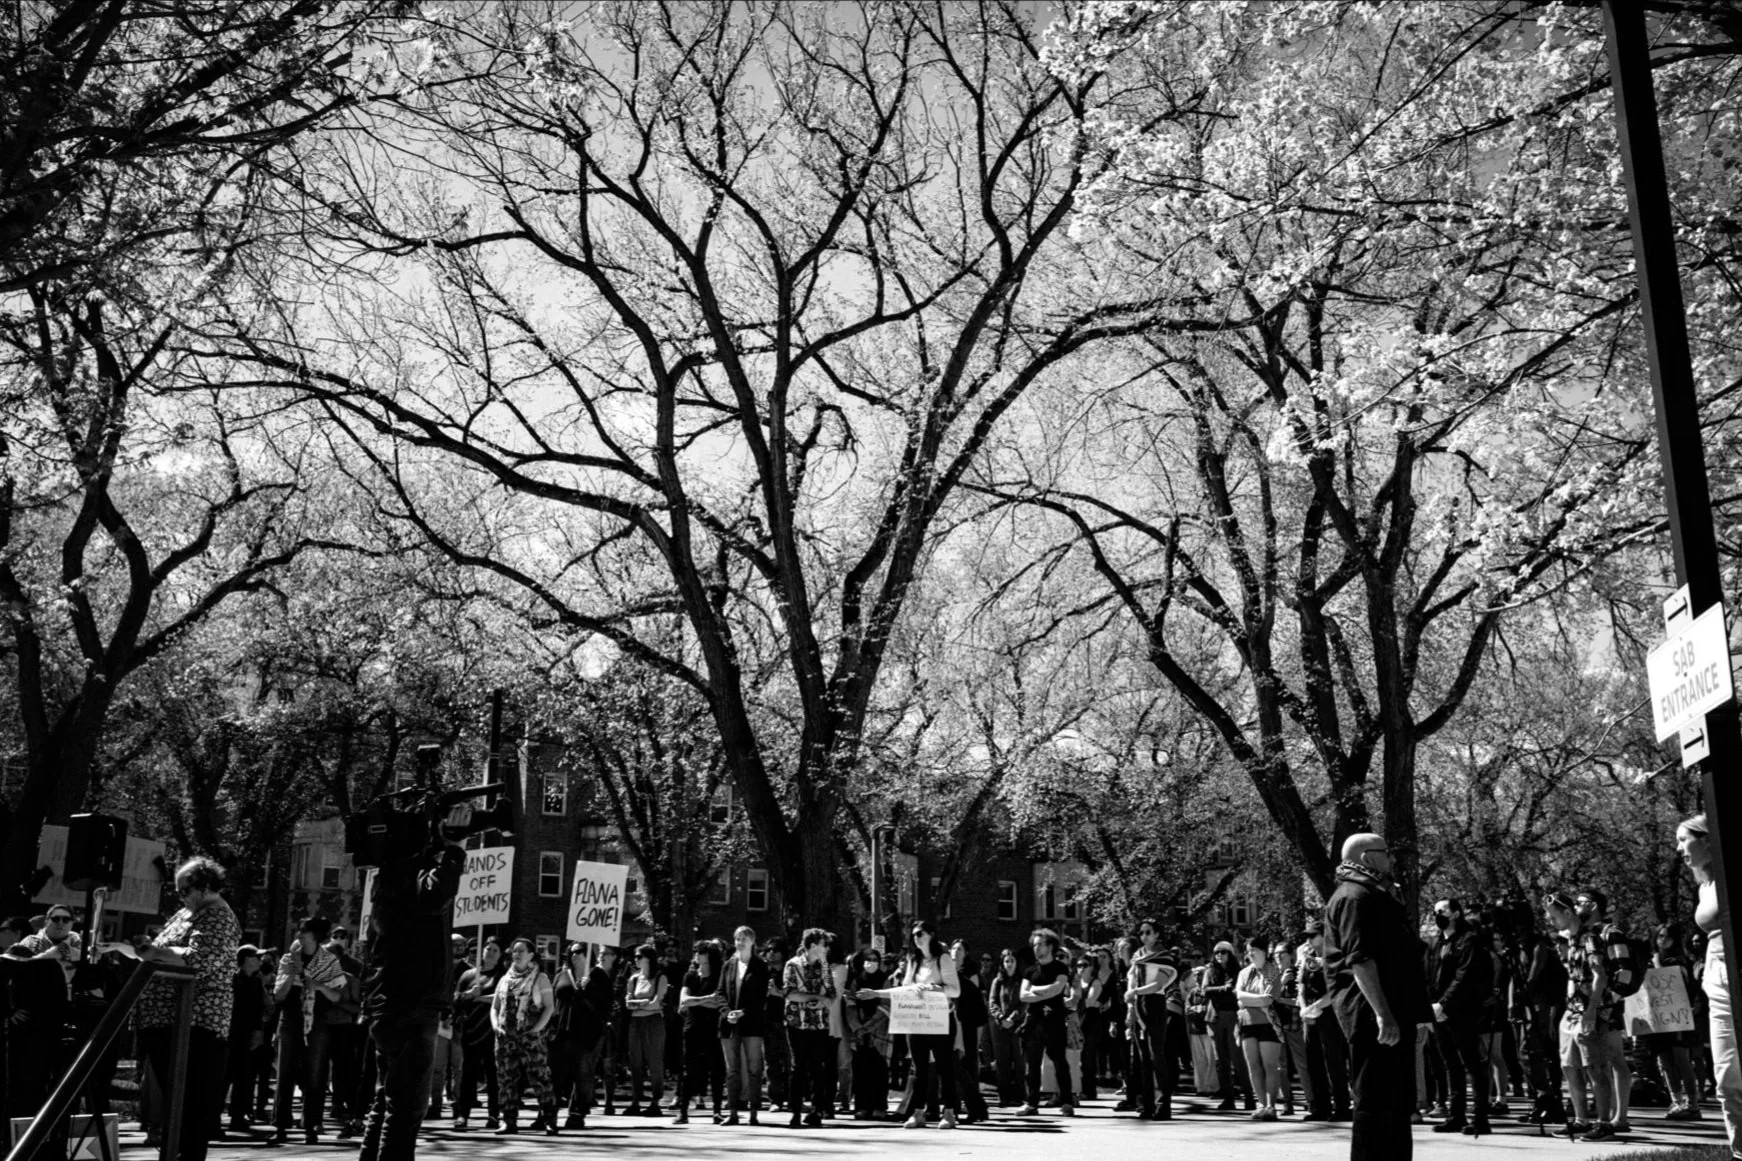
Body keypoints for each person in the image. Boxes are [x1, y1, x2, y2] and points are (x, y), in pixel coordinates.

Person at [353, 821, 465, 1161]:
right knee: (405, 1110)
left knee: (387, 1100)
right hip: (411, 1005)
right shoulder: (408, 872)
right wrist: (456, 849)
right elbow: (435, 895)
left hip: (390, 1005)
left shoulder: (387, 876)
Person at [1324, 832, 1431, 1161]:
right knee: (1375, 1106)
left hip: (1393, 1013)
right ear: (1367, 859)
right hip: (1374, 1017)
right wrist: (1383, 1014)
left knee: (1397, 1105)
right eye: (1385, 853)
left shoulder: (1376, 895)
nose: (1391, 859)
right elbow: (1361, 959)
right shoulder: (1355, 896)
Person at [131, 856, 242, 1161]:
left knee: (191, 1102)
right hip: (165, 1020)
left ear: (205, 887)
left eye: (184, 890)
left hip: (194, 1023)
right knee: (173, 1102)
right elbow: (164, 950)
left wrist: (157, 952)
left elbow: (200, 959)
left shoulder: (218, 915)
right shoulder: (186, 913)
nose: (179, 896)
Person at [1679, 813, 1742, 1155]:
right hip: (1715, 980)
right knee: (1727, 1079)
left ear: (1707, 839)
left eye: (1683, 839)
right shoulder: (1703, 886)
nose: (1679, 848)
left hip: (1735, 971)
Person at [1544, 890, 1616, 1141]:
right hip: (1571, 1010)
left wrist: (1592, 1010)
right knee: (1569, 1066)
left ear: (1567, 913)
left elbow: (1600, 976)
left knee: (1594, 1067)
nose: (1552, 922)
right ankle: (1580, 1119)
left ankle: (1604, 1123)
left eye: (1554, 917)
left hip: (1589, 1010)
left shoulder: (1590, 938)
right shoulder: (1570, 940)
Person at [270, 916, 345, 1145]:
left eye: (304, 931)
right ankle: (281, 1125)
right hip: (291, 1018)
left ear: (315, 935)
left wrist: (319, 986)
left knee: (315, 1074)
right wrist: (292, 973)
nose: (299, 935)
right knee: (285, 1073)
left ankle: (311, 1125)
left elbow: (336, 995)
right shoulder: (288, 958)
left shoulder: (329, 961)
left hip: (317, 1022)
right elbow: (278, 995)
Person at [1424, 897, 1492, 1137]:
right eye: (1435, 911)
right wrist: (1431, 1006)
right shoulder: (1434, 943)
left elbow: (1464, 976)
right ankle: (1456, 1115)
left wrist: (1443, 1004)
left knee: (1472, 1064)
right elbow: (1429, 975)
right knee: (1450, 1064)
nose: (1437, 915)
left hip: (1462, 1011)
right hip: (1438, 1013)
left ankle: (1480, 1117)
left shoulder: (1468, 940)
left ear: (1455, 913)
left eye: (1442, 911)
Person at [1581, 888, 1636, 1133]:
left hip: (1608, 1007)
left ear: (1593, 905)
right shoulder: (1586, 935)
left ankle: (1620, 1117)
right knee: (1601, 1061)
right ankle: (1608, 1113)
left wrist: (1608, 1001)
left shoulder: (1611, 933)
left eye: (1580, 903)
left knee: (1615, 1058)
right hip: (1593, 1006)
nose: (1575, 908)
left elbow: (1624, 971)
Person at [491, 936, 557, 1135]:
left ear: (531, 955)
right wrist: (495, 1026)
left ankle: (549, 1119)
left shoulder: (540, 978)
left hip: (530, 1039)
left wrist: (537, 1029)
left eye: (521, 951)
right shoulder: (505, 979)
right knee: (506, 1080)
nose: (516, 954)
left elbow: (549, 1007)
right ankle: (508, 1120)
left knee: (540, 1078)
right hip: (505, 1039)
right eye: (514, 951)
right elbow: (495, 1007)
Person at [1016, 928, 1074, 1118]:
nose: (1036, 948)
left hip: (1055, 1021)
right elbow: (1023, 995)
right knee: (1032, 1064)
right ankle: (1031, 1103)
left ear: (1050, 946)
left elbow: (1057, 990)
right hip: (1034, 1022)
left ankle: (1066, 1101)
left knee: (1059, 1062)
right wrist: (1043, 992)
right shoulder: (1030, 970)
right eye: (1034, 945)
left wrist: (1036, 990)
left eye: (1040, 944)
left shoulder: (1060, 968)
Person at [1125, 918, 1180, 1121]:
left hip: (1154, 1005)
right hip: (1138, 1004)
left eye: (1148, 932)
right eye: (1142, 933)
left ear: (1157, 935)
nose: (1144, 936)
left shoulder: (1164, 957)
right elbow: (1131, 977)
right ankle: (1145, 1104)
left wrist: (1135, 991)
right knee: (1142, 1058)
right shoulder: (1137, 956)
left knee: (1156, 1055)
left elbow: (1159, 984)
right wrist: (1130, 1004)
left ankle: (1162, 1105)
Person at [1648, 922, 1704, 1121]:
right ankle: (1676, 1101)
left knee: (1682, 1059)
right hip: (1658, 1017)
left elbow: (1669, 982)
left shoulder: (1678, 961)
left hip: (1678, 1015)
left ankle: (1692, 1103)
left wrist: (1657, 964)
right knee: (1664, 1061)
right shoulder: (1652, 959)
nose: (1663, 940)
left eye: (1667, 936)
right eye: (1660, 936)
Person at [552, 943, 609, 1128]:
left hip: (588, 1032)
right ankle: (548, 1112)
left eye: (580, 952)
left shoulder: (598, 976)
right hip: (562, 1030)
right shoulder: (562, 974)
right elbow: (553, 999)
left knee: (583, 1073)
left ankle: (577, 1112)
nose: (575, 955)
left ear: (588, 954)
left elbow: (608, 1005)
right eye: (572, 952)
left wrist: (589, 988)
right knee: (556, 1072)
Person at [1299, 919, 1352, 1121]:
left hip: (1329, 1012)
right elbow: (1301, 985)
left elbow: (1337, 987)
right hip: (1310, 1014)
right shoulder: (1308, 958)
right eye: (1307, 937)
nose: (1309, 940)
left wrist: (1317, 1007)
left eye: (1313, 936)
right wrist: (1305, 1008)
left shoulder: (1335, 957)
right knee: (1314, 1062)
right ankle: (1320, 1107)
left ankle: (1342, 1107)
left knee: (1334, 1062)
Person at [786, 928, 838, 1128]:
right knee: (798, 1067)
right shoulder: (793, 965)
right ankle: (796, 1111)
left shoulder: (824, 966)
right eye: (824, 944)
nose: (826, 948)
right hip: (797, 1022)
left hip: (820, 1022)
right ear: (813, 945)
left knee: (818, 1067)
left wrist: (824, 1002)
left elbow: (832, 993)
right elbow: (790, 993)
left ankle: (817, 1111)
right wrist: (815, 998)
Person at [717, 926, 770, 1125]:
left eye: (744, 939)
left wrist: (744, 1012)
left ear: (752, 942)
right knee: (732, 1070)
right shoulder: (728, 965)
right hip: (729, 1024)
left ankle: (754, 1112)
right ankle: (732, 1112)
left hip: (752, 1023)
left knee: (755, 1067)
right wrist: (726, 1012)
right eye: (737, 939)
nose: (740, 943)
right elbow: (720, 992)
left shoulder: (760, 965)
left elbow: (761, 997)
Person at [453, 940, 505, 1130]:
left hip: (494, 1032)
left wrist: (481, 997)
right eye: (487, 949)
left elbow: (505, 997)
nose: (490, 952)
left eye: (495, 950)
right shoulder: (468, 975)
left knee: (493, 1075)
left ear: (500, 955)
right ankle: (462, 1114)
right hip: (471, 1032)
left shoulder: (503, 976)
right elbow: (455, 999)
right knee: (468, 1075)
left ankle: (494, 1114)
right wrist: (467, 994)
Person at [322, 926, 365, 1139]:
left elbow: (359, 1006)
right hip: (320, 1028)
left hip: (344, 1027)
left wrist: (339, 1004)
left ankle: (343, 1102)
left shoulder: (352, 975)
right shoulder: (316, 977)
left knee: (344, 1066)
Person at [675, 940, 725, 1124]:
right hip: (693, 1027)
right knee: (689, 1070)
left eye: (702, 953)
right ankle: (683, 1111)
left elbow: (718, 1002)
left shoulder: (719, 976)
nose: (698, 956)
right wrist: (705, 999)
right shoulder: (690, 976)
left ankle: (717, 1110)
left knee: (716, 1070)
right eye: (697, 953)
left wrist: (697, 1000)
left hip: (713, 1028)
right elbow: (684, 1000)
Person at [1235, 938, 1284, 1121]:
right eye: (1248, 950)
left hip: (1268, 1022)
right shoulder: (1244, 973)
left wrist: (1248, 999)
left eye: (1254, 950)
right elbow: (1239, 997)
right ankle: (1261, 1104)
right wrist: (1253, 999)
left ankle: (1271, 1106)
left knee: (1270, 1065)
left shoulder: (1273, 971)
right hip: (1247, 1022)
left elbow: (1268, 999)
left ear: (1264, 951)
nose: (1250, 954)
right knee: (1253, 1064)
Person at [1202, 940, 1253, 1110]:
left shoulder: (1237, 971)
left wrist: (1219, 991)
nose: (1219, 955)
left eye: (1223, 952)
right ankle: (1228, 1098)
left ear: (1230, 954)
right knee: (1220, 1061)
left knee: (1238, 1060)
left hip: (1232, 1017)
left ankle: (1248, 1097)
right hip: (1214, 1018)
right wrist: (1224, 989)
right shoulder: (1210, 970)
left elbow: (1235, 993)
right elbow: (1205, 991)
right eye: (1216, 952)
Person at [227, 946, 269, 1134]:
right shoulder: (233, 979)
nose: (260, 960)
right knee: (225, 1077)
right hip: (232, 1033)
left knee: (245, 1078)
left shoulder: (256, 980)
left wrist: (259, 1030)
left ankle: (238, 1116)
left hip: (249, 1034)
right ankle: (212, 1118)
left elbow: (261, 1007)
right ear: (244, 960)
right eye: (255, 957)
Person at [845, 948, 891, 1119]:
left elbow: (886, 1004)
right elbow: (850, 1004)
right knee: (861, 1069)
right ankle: (862, 1106)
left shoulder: (885, 980)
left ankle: (879, 1107)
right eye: (868, 959)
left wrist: (870, 1026)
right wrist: (857, 1026)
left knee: (879, 1069)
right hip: (859, 1031)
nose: (871, 962)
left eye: (874, 959)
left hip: (879, 1031)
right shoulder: (856, 980)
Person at [624, 943, 669, 1115]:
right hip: (636, 1023)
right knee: (635, 1062)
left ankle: (655, 1101)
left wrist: (639, 1004)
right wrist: (644, 1004)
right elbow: (628, 1004)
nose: (635, 960)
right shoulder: (634, 979)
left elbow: (656, 1003)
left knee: (654, 1062)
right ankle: (635, 1100)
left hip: (653, 1023)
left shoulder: (660, 978)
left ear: (648, 958)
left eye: (638, 957)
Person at [428, 935, 469, 1121]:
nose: (457, 948)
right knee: (438, 1066)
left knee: (458, 1067)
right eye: (454, 944)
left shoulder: (470, 972)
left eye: (461, 944)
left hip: (460, 1024)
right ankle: (435, 1103)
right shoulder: (439, 969)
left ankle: (457, 1105)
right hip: (441, 1022)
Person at [1272, 939, 1310, 1117]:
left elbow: (1299, 1001)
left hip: (1295, 1024)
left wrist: (1280, 998)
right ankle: (1287, 1103)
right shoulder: (1273, 975)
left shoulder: (1297, 973)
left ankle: (1311, 1100)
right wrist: (1279, 984)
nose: (1278, 957)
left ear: (1291, 955)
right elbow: (1267, 998)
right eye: (1276, 954)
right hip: (1277, 1026)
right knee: (1281, 1066)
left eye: (1282, 953)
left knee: (1302, 1064)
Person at [987, 947, 1027, 1107]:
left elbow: (1024, 1003)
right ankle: (1004, 1096)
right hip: (1000, 1026)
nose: (1009, 964)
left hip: (1017, 1025)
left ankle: (1018, 1096)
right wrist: (1001, 1017)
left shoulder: (1022, 981)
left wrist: (1013, 1017)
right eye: (1006, 961)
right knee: (1002, 1062)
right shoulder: (998, 981)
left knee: (1018, 1061)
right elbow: (992, 1002)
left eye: (1012, 961)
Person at [954, 955, 991, 1123]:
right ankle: (974, 1108)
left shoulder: (962, 985)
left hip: (963, 1032)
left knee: (960, 1071)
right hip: (962, 1031)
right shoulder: (961, 983)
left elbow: (977, 1014)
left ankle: (976, 1108)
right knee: (960, 1072)